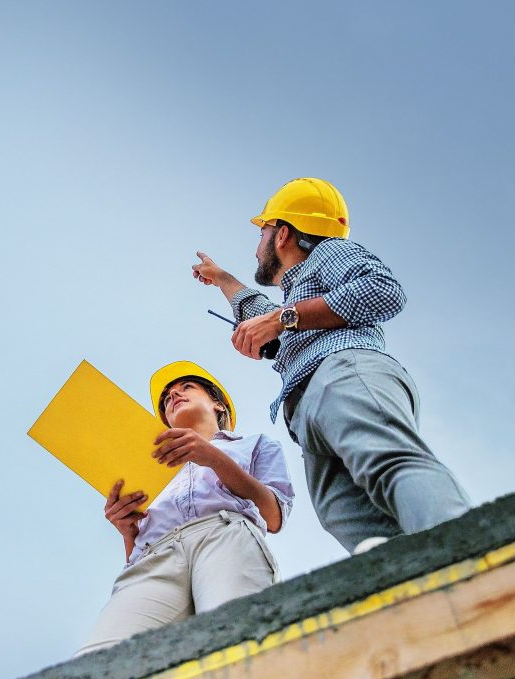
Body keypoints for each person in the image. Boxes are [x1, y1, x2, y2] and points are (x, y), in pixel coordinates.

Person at [191, 177, 470, 555]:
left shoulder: (330, 254)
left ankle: (469, 549)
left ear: (283, 234)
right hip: (308, 407)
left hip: (345, 371)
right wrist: (224, 280)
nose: (257, 249)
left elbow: (382, 291)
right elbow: (268, 316)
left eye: (262, 233)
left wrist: (283, 319)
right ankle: (418, 582)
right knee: (346, 514)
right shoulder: (299, 292)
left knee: (386, 460)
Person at [75, 361, 293, 656]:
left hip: (224, 536)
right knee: (101, 661)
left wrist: (213, 457)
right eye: (167, 400)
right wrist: (128, 532)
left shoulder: (255, 445)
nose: (173, 396)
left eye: (186, 387)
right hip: (155, 556)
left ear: (217, 403)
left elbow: (274, 515)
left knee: (235, 643)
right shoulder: (148, 466)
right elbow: (137, 552)